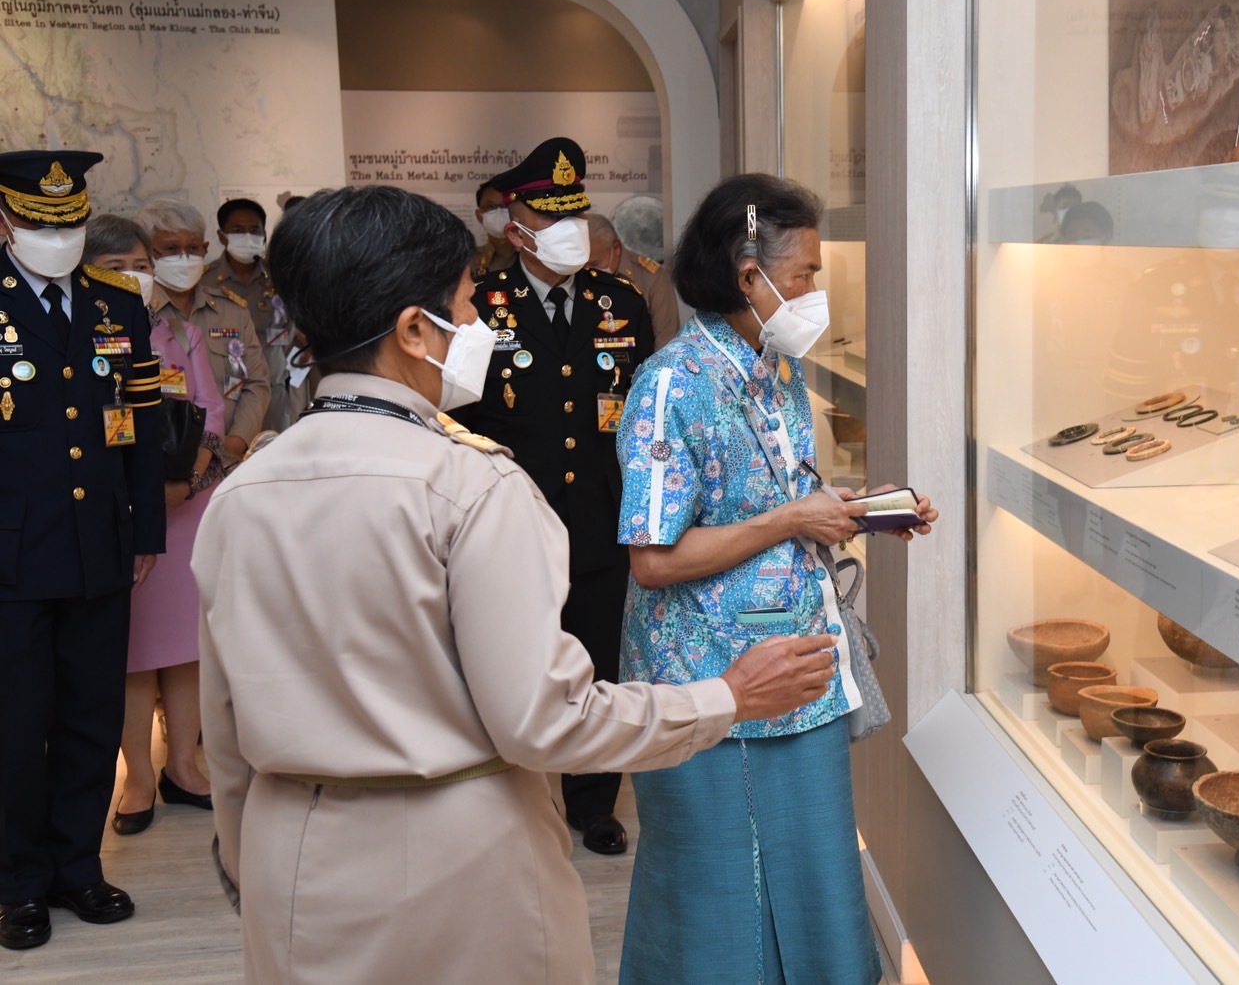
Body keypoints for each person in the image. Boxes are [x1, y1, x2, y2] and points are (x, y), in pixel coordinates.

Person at [193, 184, 837, 982]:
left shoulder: (242, 495)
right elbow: (546, 721)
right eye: (467, 305)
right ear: (414, 331)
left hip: (293, 860)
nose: (479, 327)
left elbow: (224, 730)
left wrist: (252, 865)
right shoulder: (473, 489)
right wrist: (727, 698)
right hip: (461, 865)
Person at [615, 173, 937, 984]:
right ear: (749, 275)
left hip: (798, 674)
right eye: (806, 274)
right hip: (714, 686)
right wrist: (794, 519)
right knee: (719, 898)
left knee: (817, 879)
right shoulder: (672, 384)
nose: (815, 291)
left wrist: (858, 512)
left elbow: (778, 501)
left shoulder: (777, 371)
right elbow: (653, 559)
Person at [453, 137, 654, 856]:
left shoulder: (620, 302)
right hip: (513, 518)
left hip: (600, 518)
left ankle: (593, 802)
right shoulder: (483, 306)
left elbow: (643, 418)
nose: (571, 230)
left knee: (598, 661)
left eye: (576, 215)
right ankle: (511, 799)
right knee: (512, 658)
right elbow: (460, 421)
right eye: (553, 218)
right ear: (516, 230)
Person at [0, 150, 165, 950]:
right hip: (11, 553)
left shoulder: (117, 303)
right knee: (16, 724)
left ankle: (77, 866)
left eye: (70, 224)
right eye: (40, 224)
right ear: (6, 222)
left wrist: (144, 532)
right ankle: (18, 882)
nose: (57, 239)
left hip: (99, 542)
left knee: (92, 717)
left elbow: (140, 426)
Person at [84, 215, 225, 837]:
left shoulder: (180, 332)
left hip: (186, 509)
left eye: (141, 266)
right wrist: (135, 493)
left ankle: (185, 767)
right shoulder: (81, 334)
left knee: (186, 648)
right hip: (119, 512)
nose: (134, 278)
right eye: (117, 268)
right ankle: (139, 778)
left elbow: (212, 409)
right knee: (135, 655)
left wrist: (187, 480)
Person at [136, 198, 269, 470]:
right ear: (150, 253)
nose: (184, 257)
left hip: (229, 461)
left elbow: (256, 382)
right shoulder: (137, 312)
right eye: (171, 249)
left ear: (205, 248)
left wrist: (237, 441)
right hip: (162, 463)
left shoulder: (232, 310)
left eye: (193, 248)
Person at [201, 198, 295, 431]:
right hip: (226, 394)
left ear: (264, 234)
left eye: (254, 230)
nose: (247, 236)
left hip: (273, 389)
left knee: (275, 447)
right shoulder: (206, 281)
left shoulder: (280, 277)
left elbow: (292, 329)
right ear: (222, 236)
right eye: (238, 230)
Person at [586, 212, 681, 349]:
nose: (587, 271)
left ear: (616, 248)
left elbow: (667, 342)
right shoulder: (572, 275)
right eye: (582, 264)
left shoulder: (652, 278)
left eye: (594, 263)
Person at [471, 178, 516, 278]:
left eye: (506, 206)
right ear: (479, 216)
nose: (499, 212)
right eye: (491, 207)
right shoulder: (468, 261)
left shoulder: (535, 257)